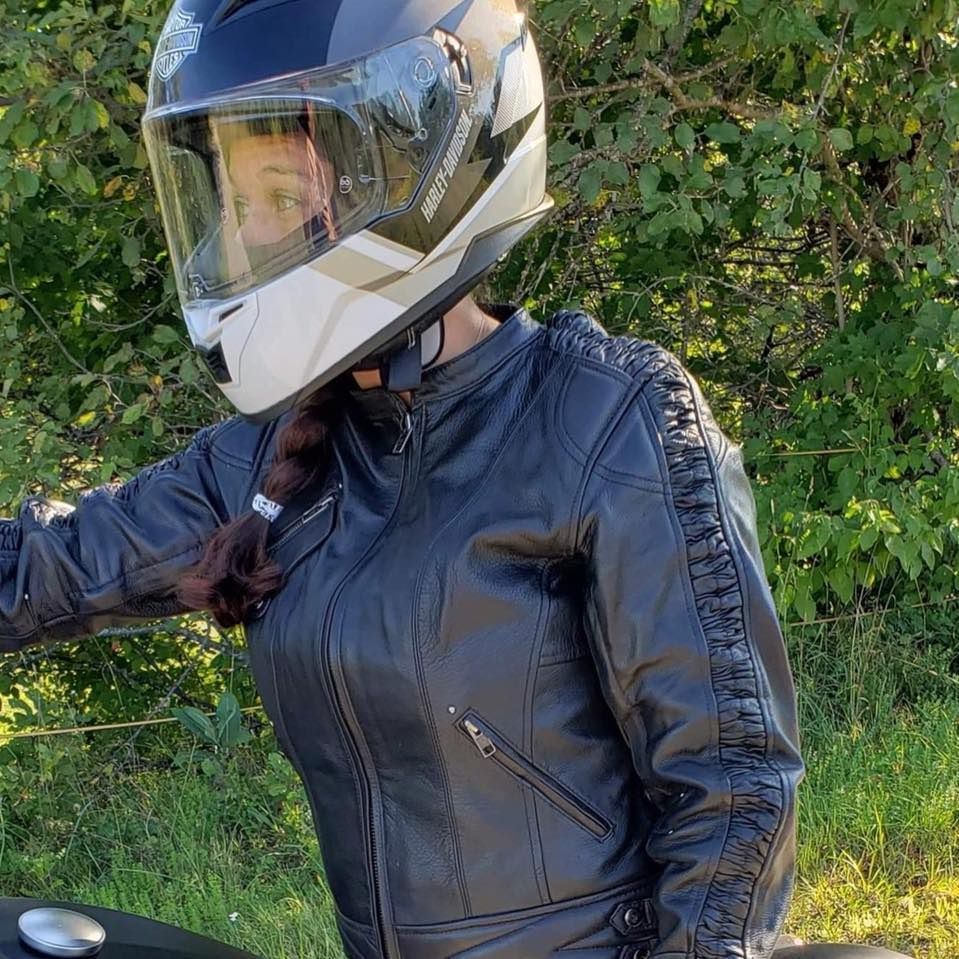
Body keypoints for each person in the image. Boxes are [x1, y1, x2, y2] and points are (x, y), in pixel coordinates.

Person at [0, 2, 916, 958]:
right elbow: (46, 568)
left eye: (280, 195)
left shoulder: (603, 420)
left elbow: (731, 786)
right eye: (231, 205)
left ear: (416, 168)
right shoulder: (268, 457)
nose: (246, 233)